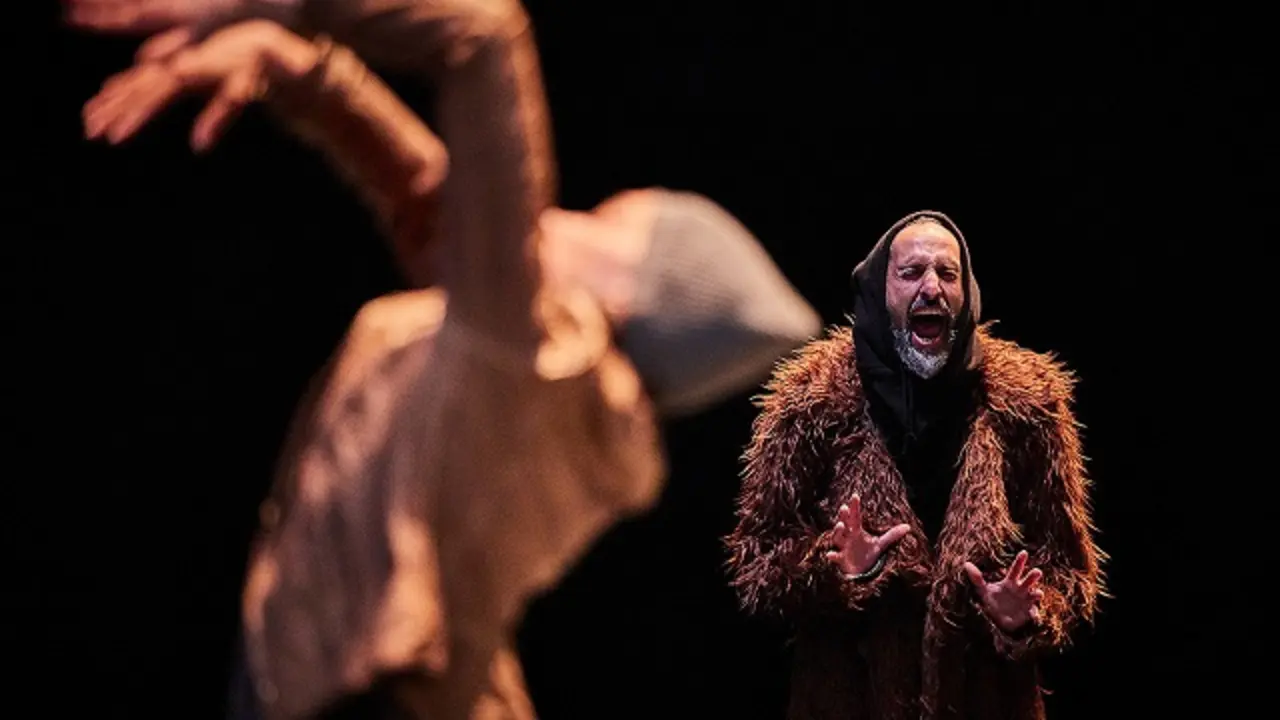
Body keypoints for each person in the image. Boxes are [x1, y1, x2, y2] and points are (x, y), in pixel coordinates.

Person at [71, 3, 821, 718]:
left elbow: (487, 35)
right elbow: (424, 192)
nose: (561, 216)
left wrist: (284, 6)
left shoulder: (539, 351)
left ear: (627, 300)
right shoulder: (537, 370)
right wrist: (292, 67)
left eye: (602, 218)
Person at [723, 212, 1105, 720]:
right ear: (880, 289)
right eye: (911, 273)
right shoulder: (811, 404)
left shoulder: (1028, 407)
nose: (931, 288)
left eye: (948, 274)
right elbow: (757, 564)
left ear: (967, 293)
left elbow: (1069, 572)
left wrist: (1026, 613)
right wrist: (836, 569)